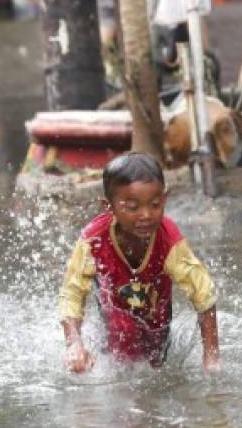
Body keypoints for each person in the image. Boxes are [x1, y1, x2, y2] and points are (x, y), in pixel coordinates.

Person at [58, 152, 221, 372]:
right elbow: (72, 293)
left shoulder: (169, 241)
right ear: (109, 206)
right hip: (115, 302)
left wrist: (211, 358)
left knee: (156, 359)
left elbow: (204, 295)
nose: (146, 215)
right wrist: (74, 344)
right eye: (132, 207)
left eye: (155, 205)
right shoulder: (93, 240)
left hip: (156, 309)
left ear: (164, 199)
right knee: (121, 341)